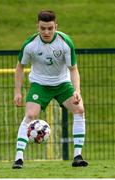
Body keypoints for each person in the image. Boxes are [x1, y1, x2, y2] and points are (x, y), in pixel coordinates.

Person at [12, 10, 88, 169]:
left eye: (50, 28)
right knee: (30, 115)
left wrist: (77, 91)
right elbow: (20, 67)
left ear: (56, 26)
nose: (46, 32)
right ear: (37, 27)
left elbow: (73, 69)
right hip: (40, 85)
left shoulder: (65, 42)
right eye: (43, 28)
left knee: (79, 109)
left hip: (62, 84)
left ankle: (77, 156)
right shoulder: (30, 45)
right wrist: (17, 92)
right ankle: (18, 159)